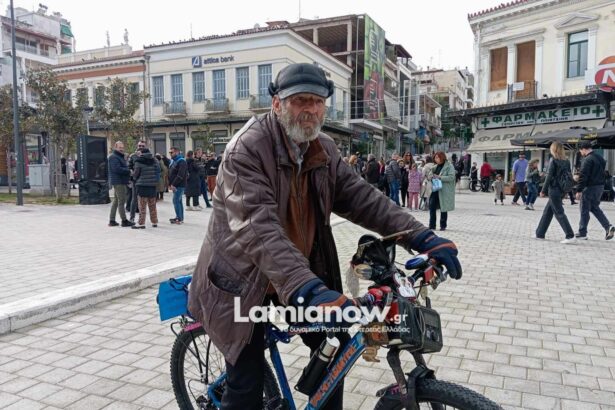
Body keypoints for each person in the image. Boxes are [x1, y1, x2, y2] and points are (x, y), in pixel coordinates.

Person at [187, 63, 462, 410]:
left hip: (292, 277)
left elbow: (364, 199)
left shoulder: (324, 150)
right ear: (277, 103)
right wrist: (309, 290)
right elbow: (257, 227)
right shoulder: (247, 148)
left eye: (318, 102)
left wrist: (420, 237)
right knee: (246, 383)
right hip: (241, 282)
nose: (311, 110)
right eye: (300, 100)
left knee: (335, 348)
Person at [535, 142, 576, 243]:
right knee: (547, 212)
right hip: (562, 189)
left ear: (553, 149)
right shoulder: (566, 161)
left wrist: (543, 190)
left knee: (559, 212)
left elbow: (549, 176)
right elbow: (568, 176)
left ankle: (570, 235)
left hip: (554, 189)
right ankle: (540, 233)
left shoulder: (553, 160)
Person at [575, 140, 615, 240]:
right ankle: (608, 226)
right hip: (600, 187)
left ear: (583, 149)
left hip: (590, 187)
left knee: (584, 209)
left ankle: (582, 233)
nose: (581, 153)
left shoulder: (587, 160)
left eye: (580, 151)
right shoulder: (600, 158)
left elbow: (583, 176)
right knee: (594, 208)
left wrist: (579, 190)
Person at [132, 148, 160, 229]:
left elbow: (136, 174)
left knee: (142, 206)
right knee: (152, 206)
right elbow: (158, 171)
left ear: (141, 153)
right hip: (152, 186)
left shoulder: (138, 161)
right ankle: (154, 222)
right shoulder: (155, 160)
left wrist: (133, 177)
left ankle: (141, 223)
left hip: (142, 186)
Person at [107, 141, 134, 227]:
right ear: (115, 147)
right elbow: (117, 169)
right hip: (119, 182)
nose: (121, 149)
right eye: (120, 147)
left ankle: (112, 220)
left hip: (120, 181)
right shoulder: (113, 157)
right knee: (122, 201)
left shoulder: (119, 156)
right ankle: (124, 221)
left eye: (122, 147)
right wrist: (129, 171)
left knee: (116, 201)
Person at [428, 152, 455, 231]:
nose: (436, 159)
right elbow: (429, 175)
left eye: (437, 157)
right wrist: (431, 177)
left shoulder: (449, 166)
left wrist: (440, 177)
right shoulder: (435, 167)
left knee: (443, 208)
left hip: (444, 190)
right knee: (432, 206)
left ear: (442, 157)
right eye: (435, 158)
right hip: (435, 189)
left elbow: (451, 177)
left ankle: (443, 225)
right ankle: (432, 225)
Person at [168, 147, 187, 224]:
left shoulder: (181, 161)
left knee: (175, 200)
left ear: (177, 152)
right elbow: (171, 173)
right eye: (170, 152)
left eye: (171, 152)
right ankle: (179, 217)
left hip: (179, 185)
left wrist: (173, 184)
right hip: (175, 185)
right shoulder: (174, 161)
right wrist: (170, 184)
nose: (170, 154)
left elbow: (180, 175)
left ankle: (179, 219)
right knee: (178, 201)